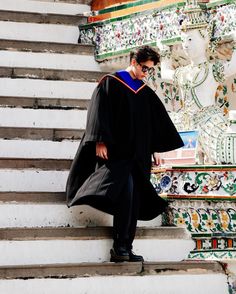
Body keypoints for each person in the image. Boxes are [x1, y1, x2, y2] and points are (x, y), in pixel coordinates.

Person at [66, 45, 183, 262]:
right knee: (126, 196)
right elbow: (98, 112)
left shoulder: (144, 92)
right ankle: (119, 247)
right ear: (134, 62)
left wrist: (155, 148)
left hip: (138, 155)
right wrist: (100, 140)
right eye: (145, 68)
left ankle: (126, 247)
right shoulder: (110, 83)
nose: (146, 73)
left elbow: (152, 123)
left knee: (135, 200)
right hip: (117, 155)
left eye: (150, 70)